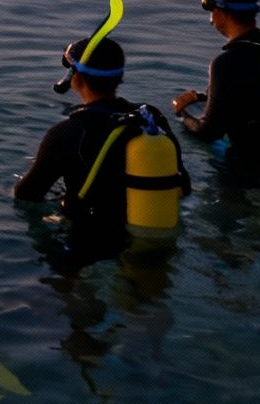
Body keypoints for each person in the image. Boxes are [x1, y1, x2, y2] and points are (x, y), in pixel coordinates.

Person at [13, 33, 188, 264]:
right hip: (154, 237)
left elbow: (26, 195)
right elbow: (183, 184)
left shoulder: (66, 133)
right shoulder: (150, 117)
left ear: (75, 78)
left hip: (90, 247)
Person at [171, 0, 260, 188]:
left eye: (212, 11)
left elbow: (208, 132)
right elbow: (257, 94)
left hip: (250, 168)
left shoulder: (226, 63)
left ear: (222, 12)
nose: (211, 19)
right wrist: (202, 97)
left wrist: (182, 113)